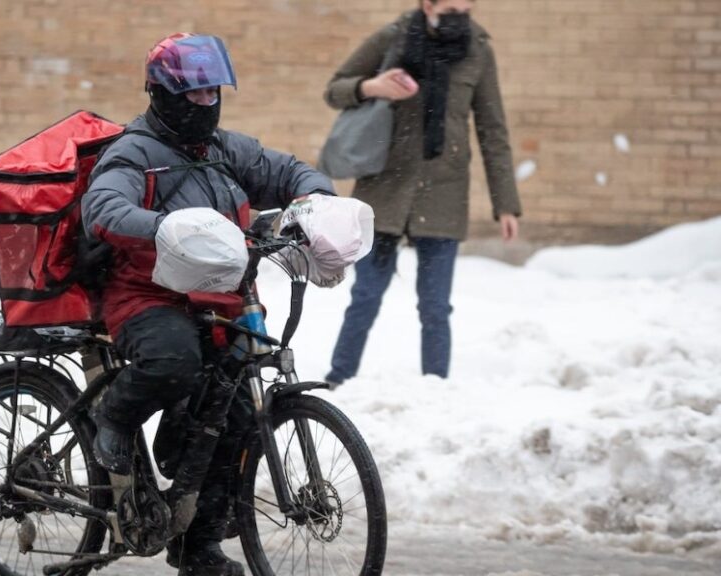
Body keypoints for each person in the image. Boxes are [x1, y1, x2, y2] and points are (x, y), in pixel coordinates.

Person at [81, 33, 339, 576]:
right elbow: (102, 209)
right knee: (174, 361)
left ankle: (196, 547)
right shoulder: (133, 151)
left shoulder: (224, 149)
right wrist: (167, 228)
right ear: (163, 94)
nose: (206, 104)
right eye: (194, 95)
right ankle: (116, 416)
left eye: (213, 94)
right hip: (146, 295)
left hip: (221, 297)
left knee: (240, 411)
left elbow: (288, 171)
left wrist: (318, 204)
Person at [322, 0, 522, 384]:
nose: (459, 14)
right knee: (365, 297)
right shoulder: (393, 38)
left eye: (466, 6)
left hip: (444, 192)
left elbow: (492, 129)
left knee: (435, 307)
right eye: (450, 7)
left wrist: (506, 204)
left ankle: (435, 390)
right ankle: (337, 381)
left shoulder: (478, 50)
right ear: (426, 4)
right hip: (386, 187)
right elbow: (335, 90)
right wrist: (371, 87)